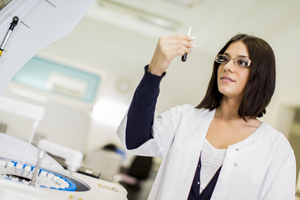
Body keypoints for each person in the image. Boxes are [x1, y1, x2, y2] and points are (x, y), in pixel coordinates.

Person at [116, 33, 296, 200]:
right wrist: (154, 72)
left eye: (242, 63)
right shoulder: (184, 118)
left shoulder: (276, 148)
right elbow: (135, 141)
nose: (227, 67)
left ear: (262, 75)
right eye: (224, 59)